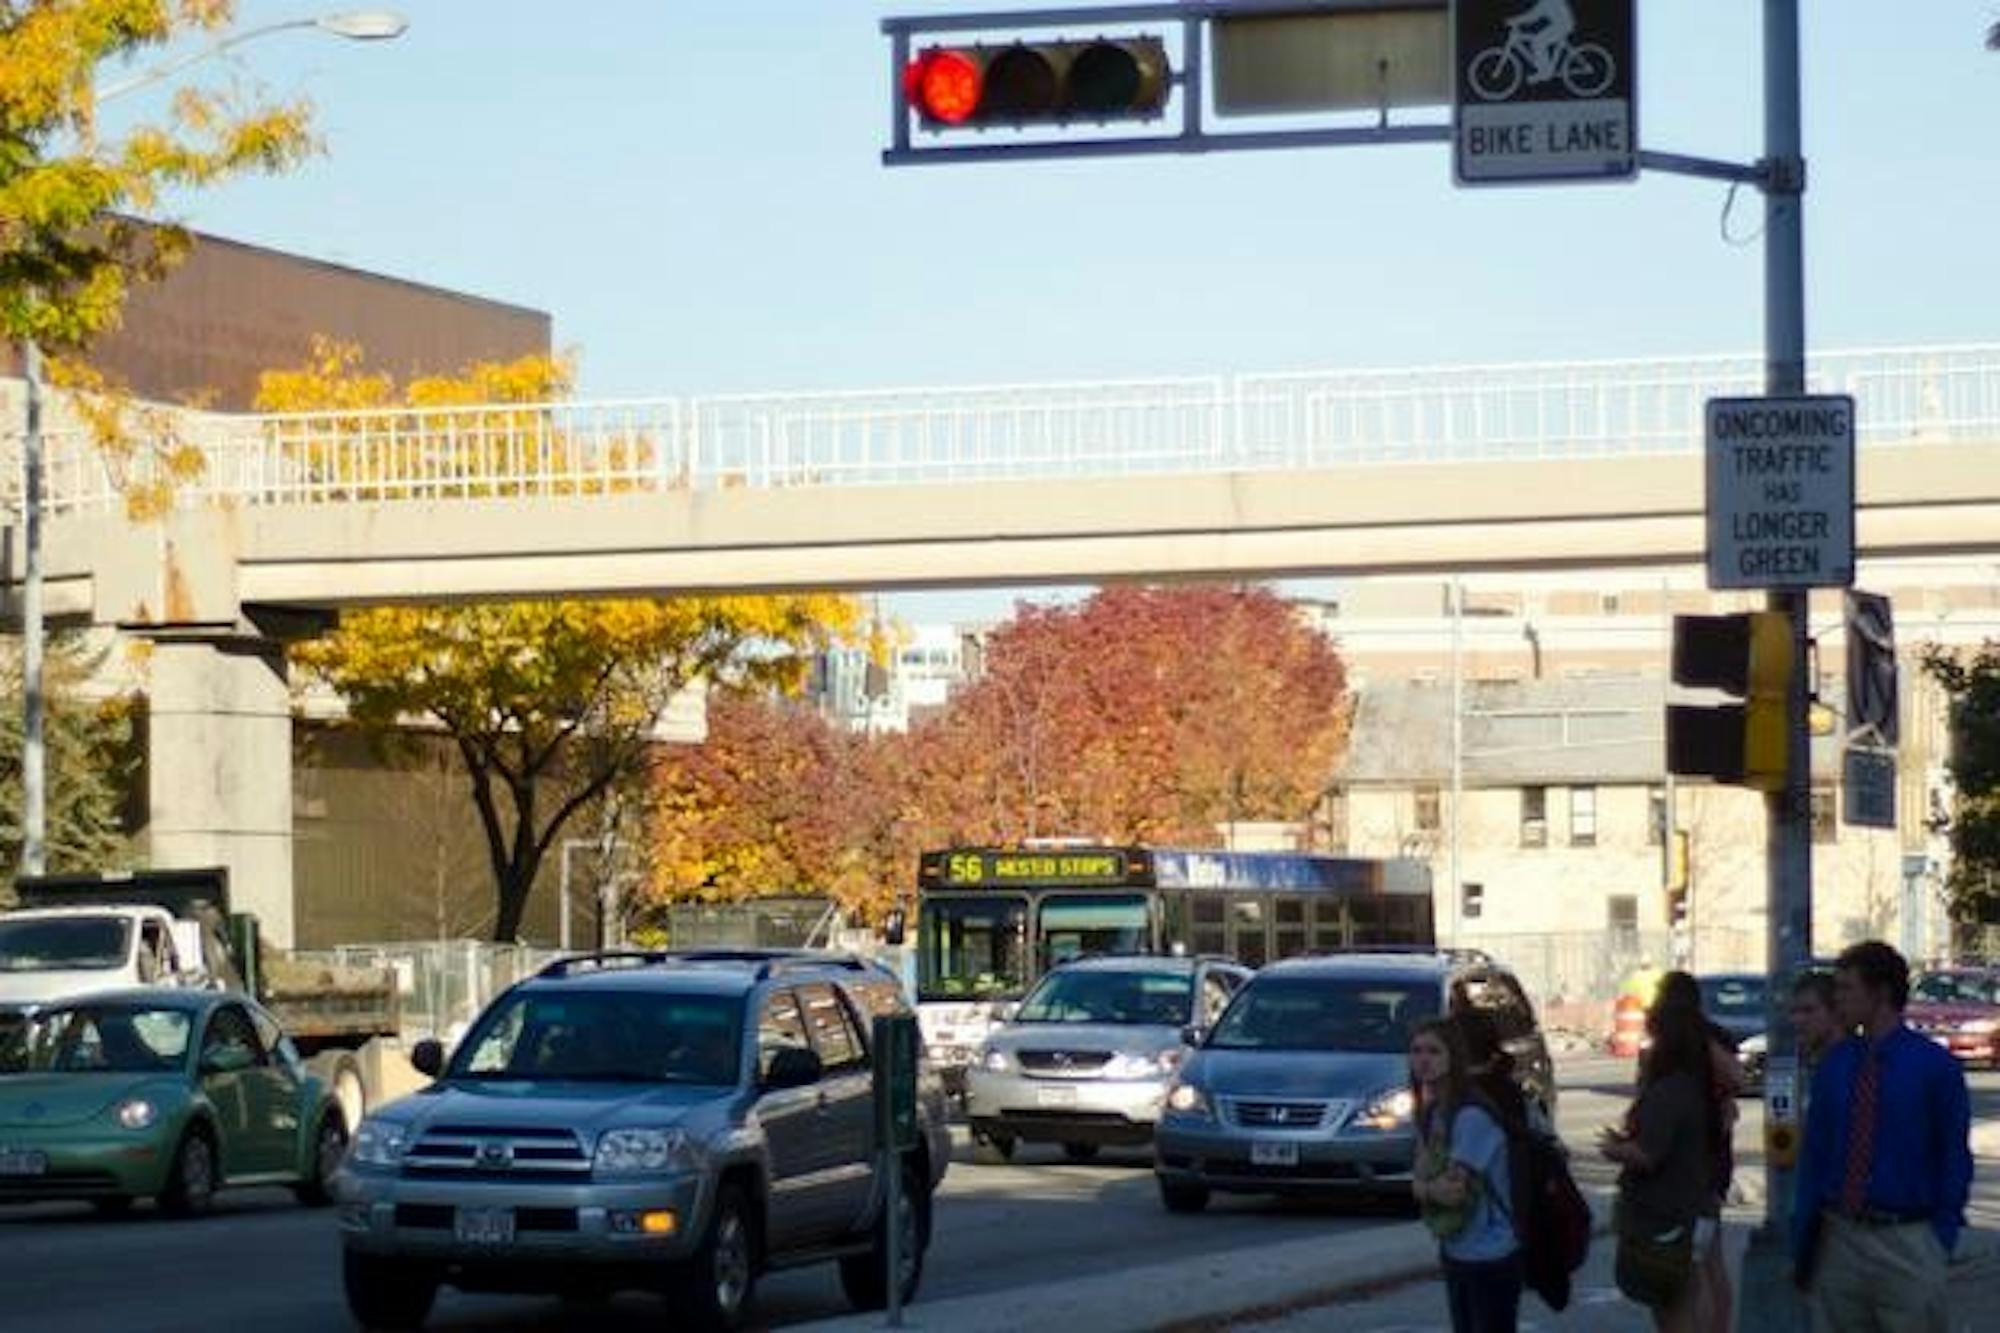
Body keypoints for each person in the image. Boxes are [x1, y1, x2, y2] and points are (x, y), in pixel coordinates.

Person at [1793, 941, 1972, 1333]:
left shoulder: (1933, 1067)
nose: (1838, 1000)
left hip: (1907, 1237)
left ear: (1881, 993)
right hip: (1841, 1236)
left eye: (1847, 989)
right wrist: (1806, 1236)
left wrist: (1940, 1237)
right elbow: (1816, 1152)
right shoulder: (1837, 1065)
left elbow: (1953, 1156)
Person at [1601, 997, 1717, 1333]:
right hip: (1692, 1207)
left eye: (1650, 1036)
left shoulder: (1668, 1091)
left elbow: (1649, 1154)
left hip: (1666, 1216)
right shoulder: (1694, 1083)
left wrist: (1616, 1149)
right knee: (1688, 1297)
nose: (1643, 1046)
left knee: (1671, 1309)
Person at [1409, 1017, 1521, 1333]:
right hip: (1457, 1248)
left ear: (1453, 1057)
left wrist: (1420, 1187)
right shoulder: (1433, 1112)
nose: (1423, 1060)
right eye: (1416, 1051)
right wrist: (1425, 1183)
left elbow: (1452, 1191)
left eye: (1434, 1051)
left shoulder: (1471, 1114)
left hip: (1492, 1252)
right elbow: (1425, 1174)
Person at [1652, 972, 1742, 1333]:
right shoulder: (1708, 1038)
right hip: (1707, 1164)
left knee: (1694, 1265)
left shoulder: (1696, 1041)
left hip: (1693, 1169)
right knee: (1706, 1260)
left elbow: (1734, 1080)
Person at [1507, 0, 1576, 83]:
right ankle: (1544, 68)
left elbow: (1533, 16)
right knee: (1538, 40)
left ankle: (1543, 72)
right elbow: (1533, 16)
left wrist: (1515, 21)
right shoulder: (1545, 2)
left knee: (1538, 42)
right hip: (1561, 24)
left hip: (1562, 26)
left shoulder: (1547, 2)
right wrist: (1517, 20)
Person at [1789, 970, 1843, 1069]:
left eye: (1808, 1011)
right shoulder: (1810, 1062)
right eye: (1793, 1012)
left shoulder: (1856, 1065)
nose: (1797, 1020)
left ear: (1835, 1011)